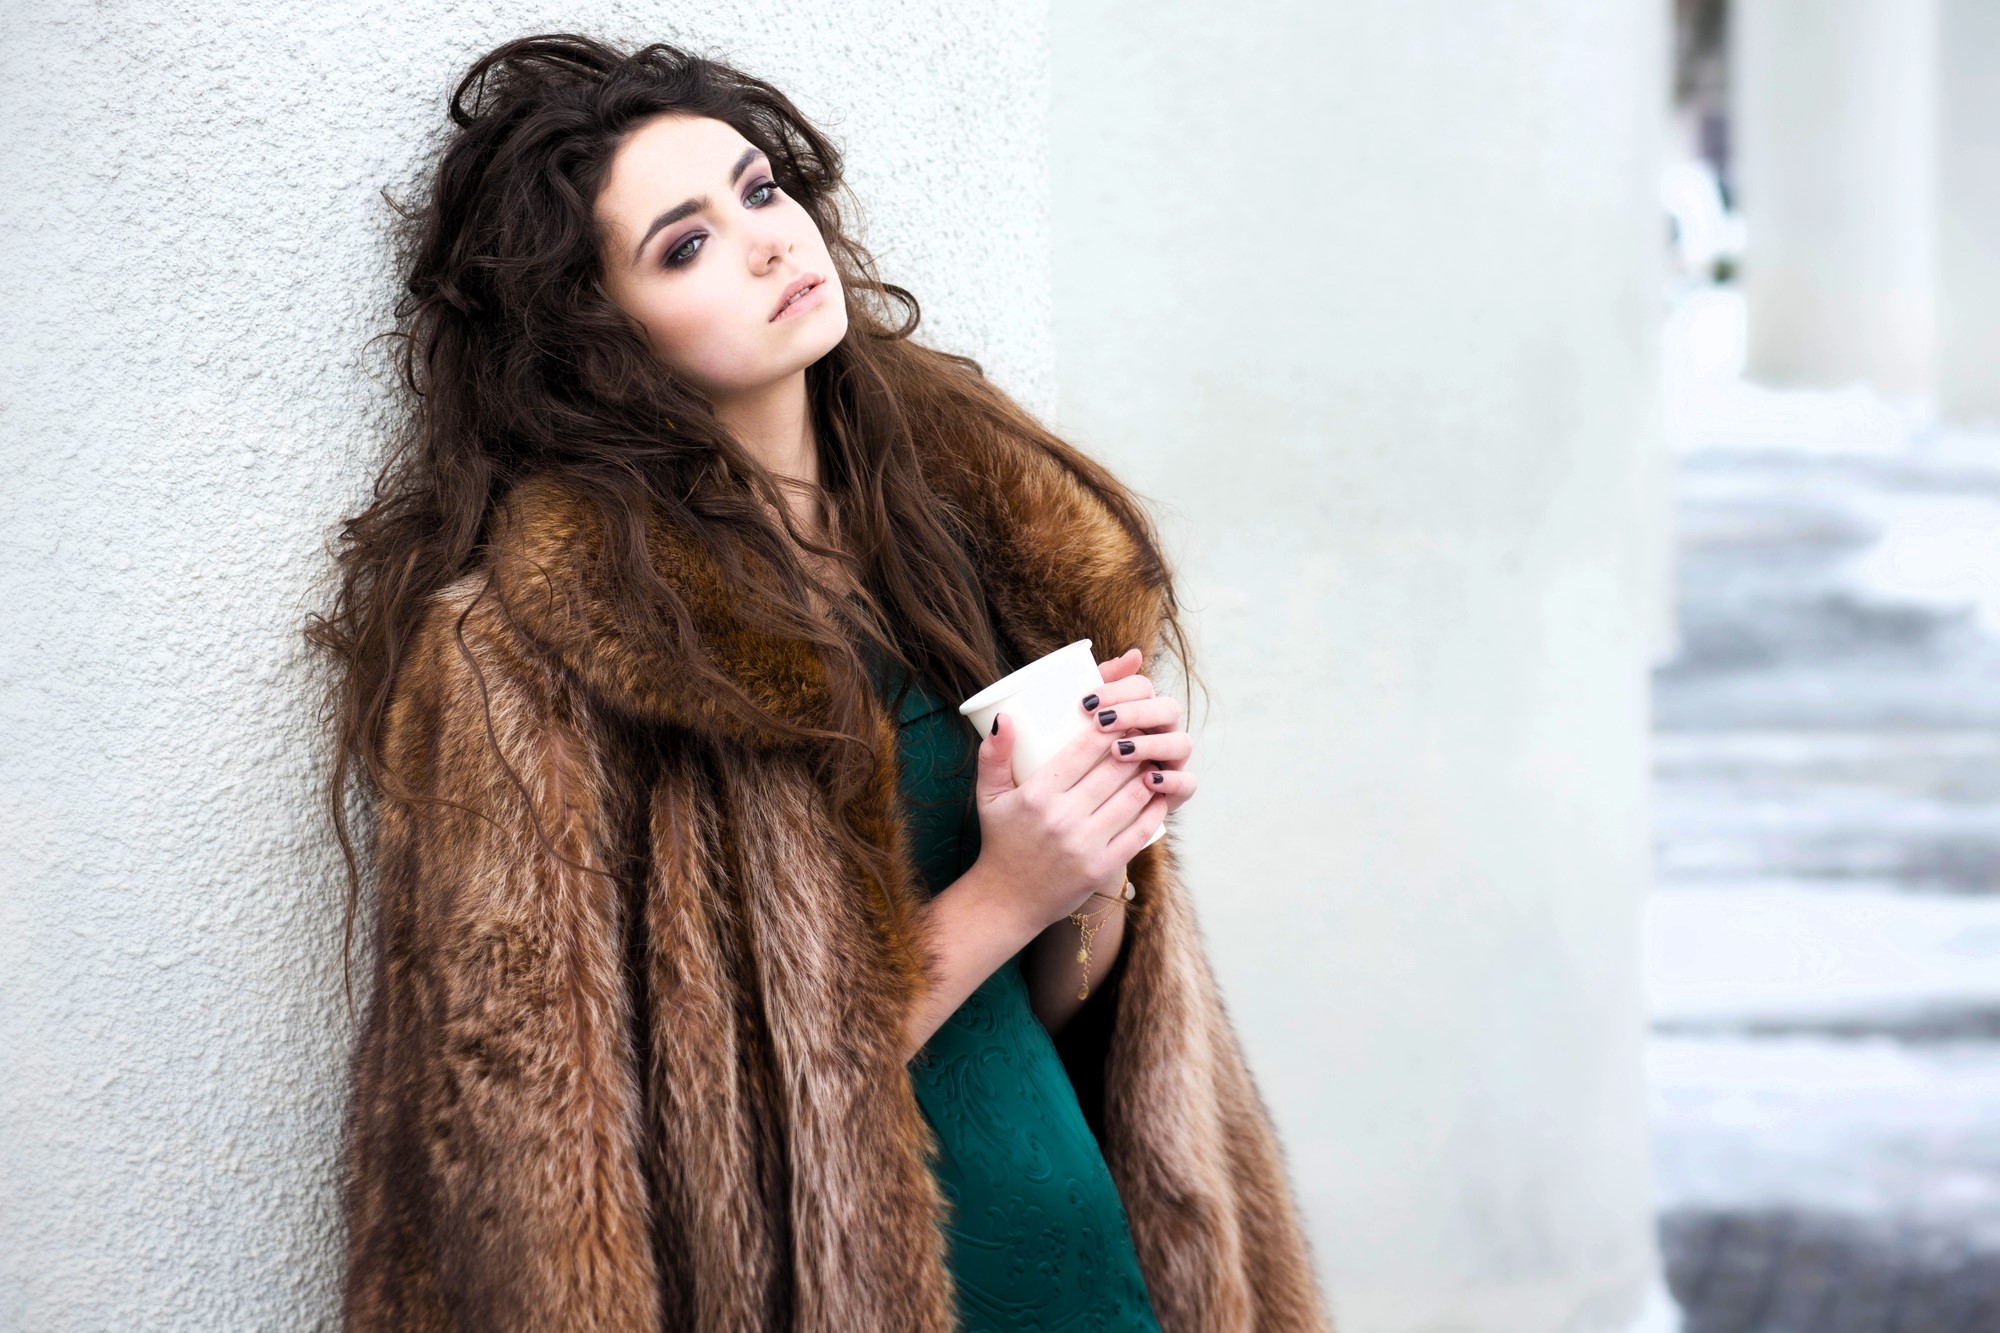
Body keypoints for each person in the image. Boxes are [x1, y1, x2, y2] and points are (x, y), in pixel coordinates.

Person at [310, 32, 1330, 1333]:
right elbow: (610, 1167)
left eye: (758, 188)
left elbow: (1050, 1018)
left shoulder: (950, 555)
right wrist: (1000, 891)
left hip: (1101, 1281)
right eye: (681, 245)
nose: (766, 239)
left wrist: (1094, 857)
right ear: (597, 337)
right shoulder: (533, 665)